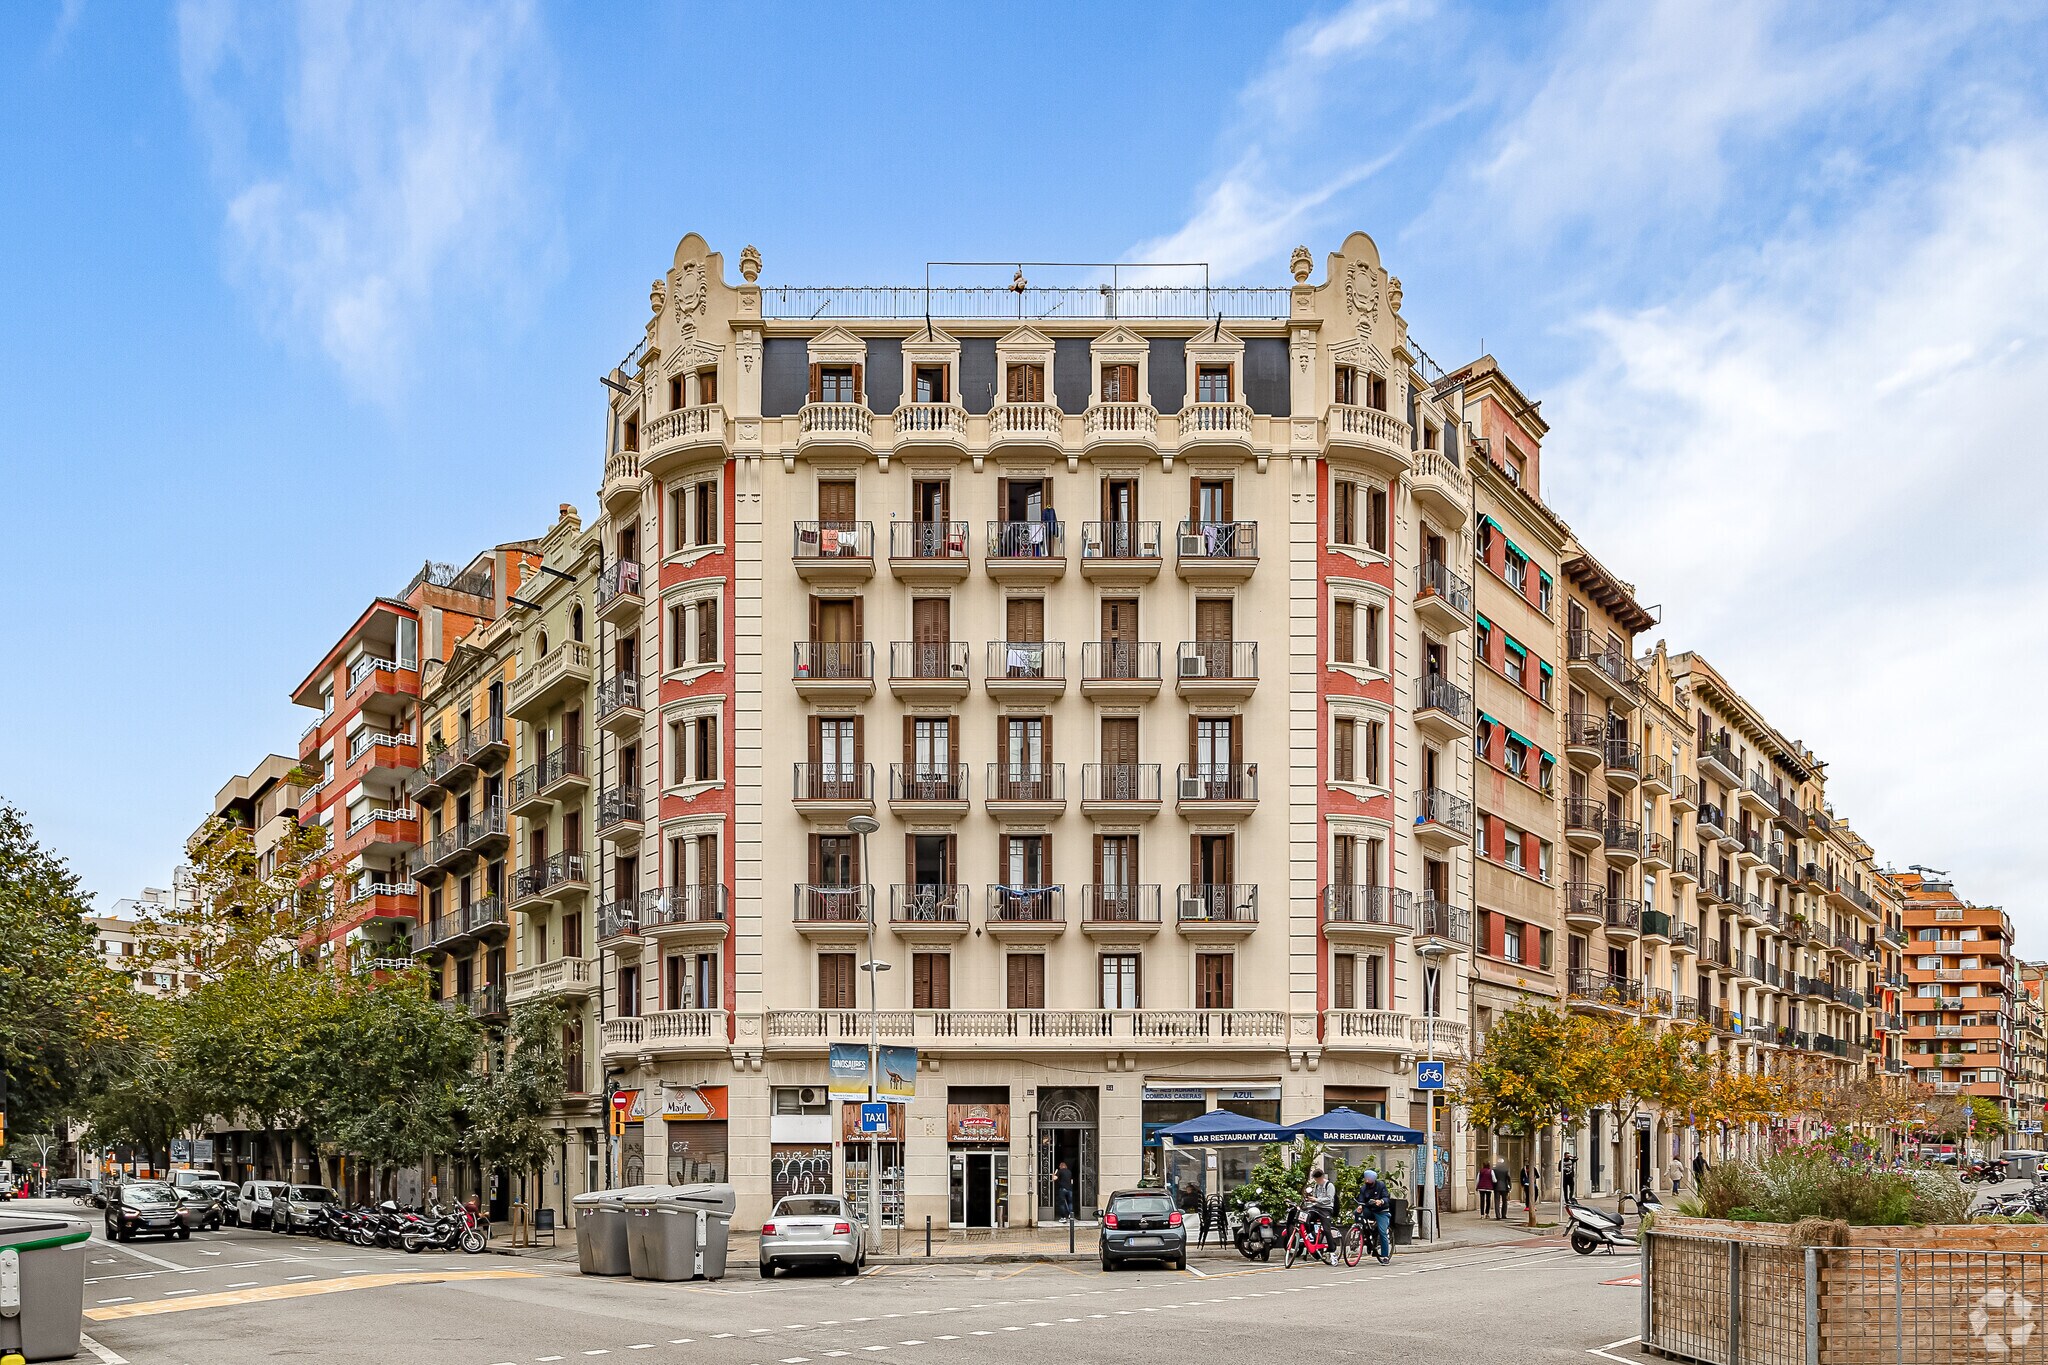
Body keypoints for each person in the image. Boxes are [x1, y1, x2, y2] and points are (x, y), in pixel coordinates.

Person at [1355, 1168, 1394, 1264]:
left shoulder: (1380, 1186)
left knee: (1382, 1232)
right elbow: (1361, 1199)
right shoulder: (1363, 1188)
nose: (1367, 1180)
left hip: (1381, 1211)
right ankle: (1363, 1232)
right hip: (1369, 1209)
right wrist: (1360, 1206)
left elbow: (1386, 1197)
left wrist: (1381, 1201)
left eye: (1368, 1178)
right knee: (1356, 1213)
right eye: (1366, 1178)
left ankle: (1385, 1256)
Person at [1302, 1167, 1336, 1259]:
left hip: (1326, 1209)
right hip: (1316, 1207)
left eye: (1318, 1179)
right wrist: (1311, 1199)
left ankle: (1332, 1251)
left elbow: (1329, 1199)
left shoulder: (1329, 1185)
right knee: (1304, 1217)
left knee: (1326, 1229)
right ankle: (1310, 1235)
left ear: (1322, 1177)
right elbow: (1316, 1198)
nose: (1317, 1181)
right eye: (1316, 1179)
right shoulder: (1316, 1186)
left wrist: (1316, 1199)